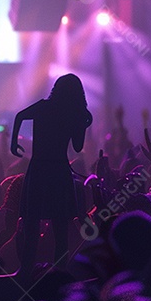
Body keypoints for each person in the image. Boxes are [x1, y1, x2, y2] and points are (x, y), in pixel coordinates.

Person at [10, 74, 93, 263]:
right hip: (59, 171)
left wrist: (13, 143)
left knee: (31, 224)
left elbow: (20, 116)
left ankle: (26, 271)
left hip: (38, 168)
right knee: (60, 227)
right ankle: (59, 272)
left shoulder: (43, 107)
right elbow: (78, 147)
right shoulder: (73, 115)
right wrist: (83, 124)